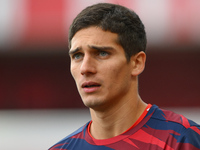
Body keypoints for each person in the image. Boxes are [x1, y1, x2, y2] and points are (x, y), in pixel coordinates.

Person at [49, 3, 200, 150]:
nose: (85, 68)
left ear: (137, 63)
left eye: (102, 53)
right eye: (77, 56)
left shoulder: (182, 139)